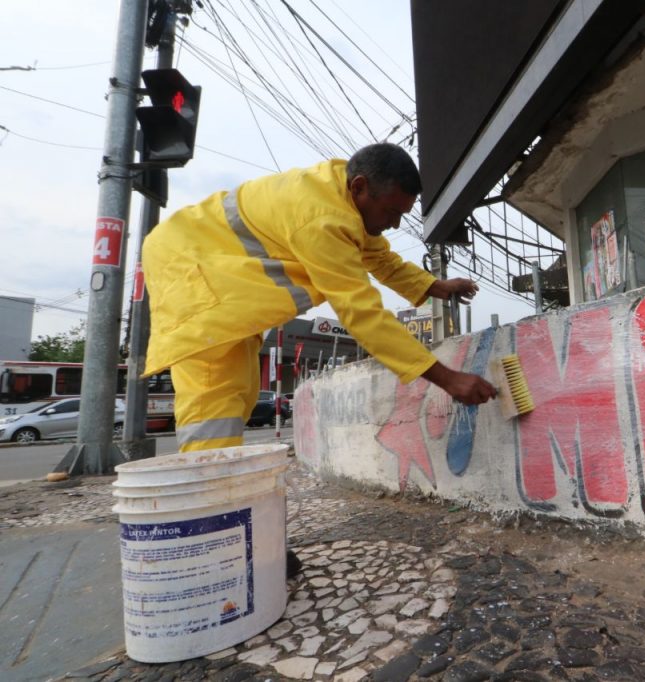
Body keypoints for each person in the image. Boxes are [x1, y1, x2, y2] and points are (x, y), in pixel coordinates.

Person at [141, 143, 497, 575]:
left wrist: (434, 287)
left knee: (237, 399)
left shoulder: (342, 196)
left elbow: (376, 255)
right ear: (360, 187)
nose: (394, 223)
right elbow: (362, 313)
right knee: (213, 412)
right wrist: (447, 379)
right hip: (195, 278)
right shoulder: (321, 218)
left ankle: (241, 540)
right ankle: (218, 552)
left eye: (402, 214)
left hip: (220, 283)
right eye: (391, 211)